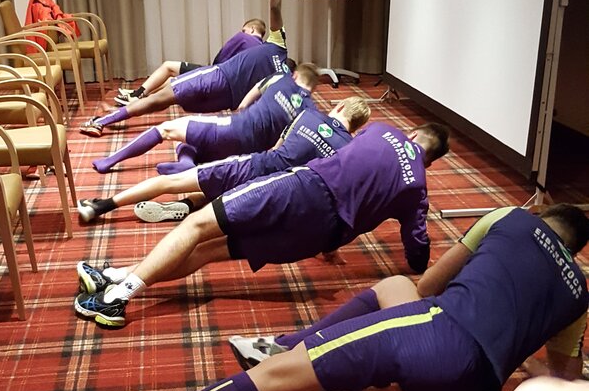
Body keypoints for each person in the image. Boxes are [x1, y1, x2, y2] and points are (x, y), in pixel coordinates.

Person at [60, 204, 587, 391]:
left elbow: (429, 285)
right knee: (391, 287)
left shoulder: (509, 218)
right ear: (577, 249)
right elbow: (562, 382)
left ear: (544, 217)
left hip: (434, 333)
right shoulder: (582, 293)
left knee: (272, 381)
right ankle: (284, 345)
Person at [73, 121, 449, 329]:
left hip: (303, 188)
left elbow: (353, 158)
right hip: (321, 233)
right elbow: (416, 250)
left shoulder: (383, 130)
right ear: (430, 160)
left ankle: (117, 297)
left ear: (414, 133)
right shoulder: (418, 188)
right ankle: (117, 277)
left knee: (197, 225)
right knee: (208, 251)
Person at [81, 0, 287, 136]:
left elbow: (274, 5)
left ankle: (103, 119)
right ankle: (111, 116)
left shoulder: (277, 55)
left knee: (162, 99)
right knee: (163, 99)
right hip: (225, 99)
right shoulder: (280, 57)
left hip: (217, 78)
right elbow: (275, 6)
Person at [77, 94, 371, 225]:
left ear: (339, 106)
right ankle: (189, 205)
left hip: (256, 165)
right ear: (356, 128)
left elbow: (278, 147)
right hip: (282, 196)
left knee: (174, 181)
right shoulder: (347, 148)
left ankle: (102, 206)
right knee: (226, 204)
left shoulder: (308, 115)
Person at [85, 62, 321, 178]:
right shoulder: (310, 110)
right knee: (189, 144)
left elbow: (243, 104)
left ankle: (109, 161)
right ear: (313, 87)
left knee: (167, 129)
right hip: (251, 151)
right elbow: (285, 143)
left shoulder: (281, 78)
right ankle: (188, 164)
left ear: (295, 75)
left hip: (234, 127)